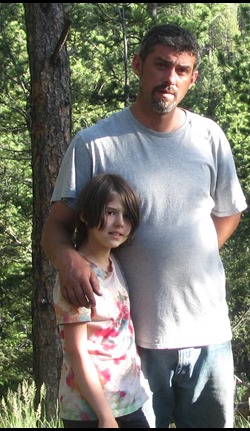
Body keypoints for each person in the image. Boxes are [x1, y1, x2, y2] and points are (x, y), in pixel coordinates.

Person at [42, 23, 247, 428]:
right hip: (133, 345)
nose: (170, 78)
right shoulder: (95, 144)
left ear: (193, 78)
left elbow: (229, 212)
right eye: (161, 65)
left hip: (209, 335)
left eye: (182, 70)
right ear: (138, 65)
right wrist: (70, 262)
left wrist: (190, 255)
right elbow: (55, 228)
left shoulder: (209, 137)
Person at [53, 173, 150, 428]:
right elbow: (76, 351)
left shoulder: (113, 264)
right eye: (110, 212)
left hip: (129, 402)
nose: (119, 223)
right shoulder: (77, 277)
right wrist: (105, 416)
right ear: (85, 216)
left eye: (127, 216)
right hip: (91, 412)